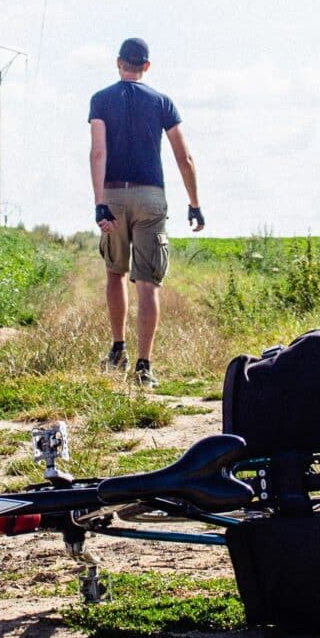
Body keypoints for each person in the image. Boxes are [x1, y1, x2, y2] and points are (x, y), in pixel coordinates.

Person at [88, 36, 203, 386]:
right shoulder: (163, 102)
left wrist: (99, 203)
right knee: (148, 282)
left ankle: (118, 349)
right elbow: (184, 158)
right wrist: (194, 204)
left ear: (118, 62)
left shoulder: (101, 99)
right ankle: (144, 366)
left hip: (114, 194)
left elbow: (97, 154)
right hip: (152, 197)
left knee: (115, 273)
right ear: (146, 66)